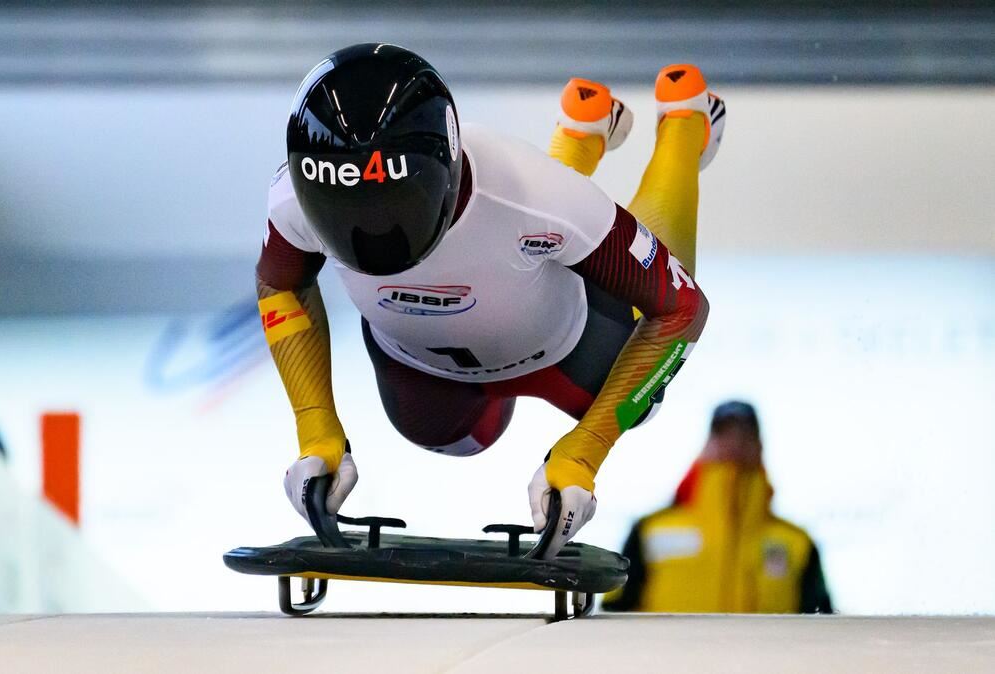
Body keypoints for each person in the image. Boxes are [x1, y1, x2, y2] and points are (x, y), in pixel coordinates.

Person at [257, 43, 722, 558]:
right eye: (343, 216)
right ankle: (582, 136)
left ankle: (683, 126)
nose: (376, 239)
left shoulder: (537, 197)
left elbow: (681, 307)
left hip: (569, 340)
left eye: (397, 208)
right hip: (428, 363)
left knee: (641, 401)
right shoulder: (289, 201)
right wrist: (315, 425)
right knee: (451, 439)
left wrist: (587, 452)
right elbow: (281, 283)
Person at [602, 401, 834, 613]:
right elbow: (615, 608)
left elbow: (822, 624)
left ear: (759, 446)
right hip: (668, 658)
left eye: (746, 434)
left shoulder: (797, 543)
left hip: (767, 659)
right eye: (723, 433)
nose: (735, 442)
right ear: (707, 444)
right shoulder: (650, 531)